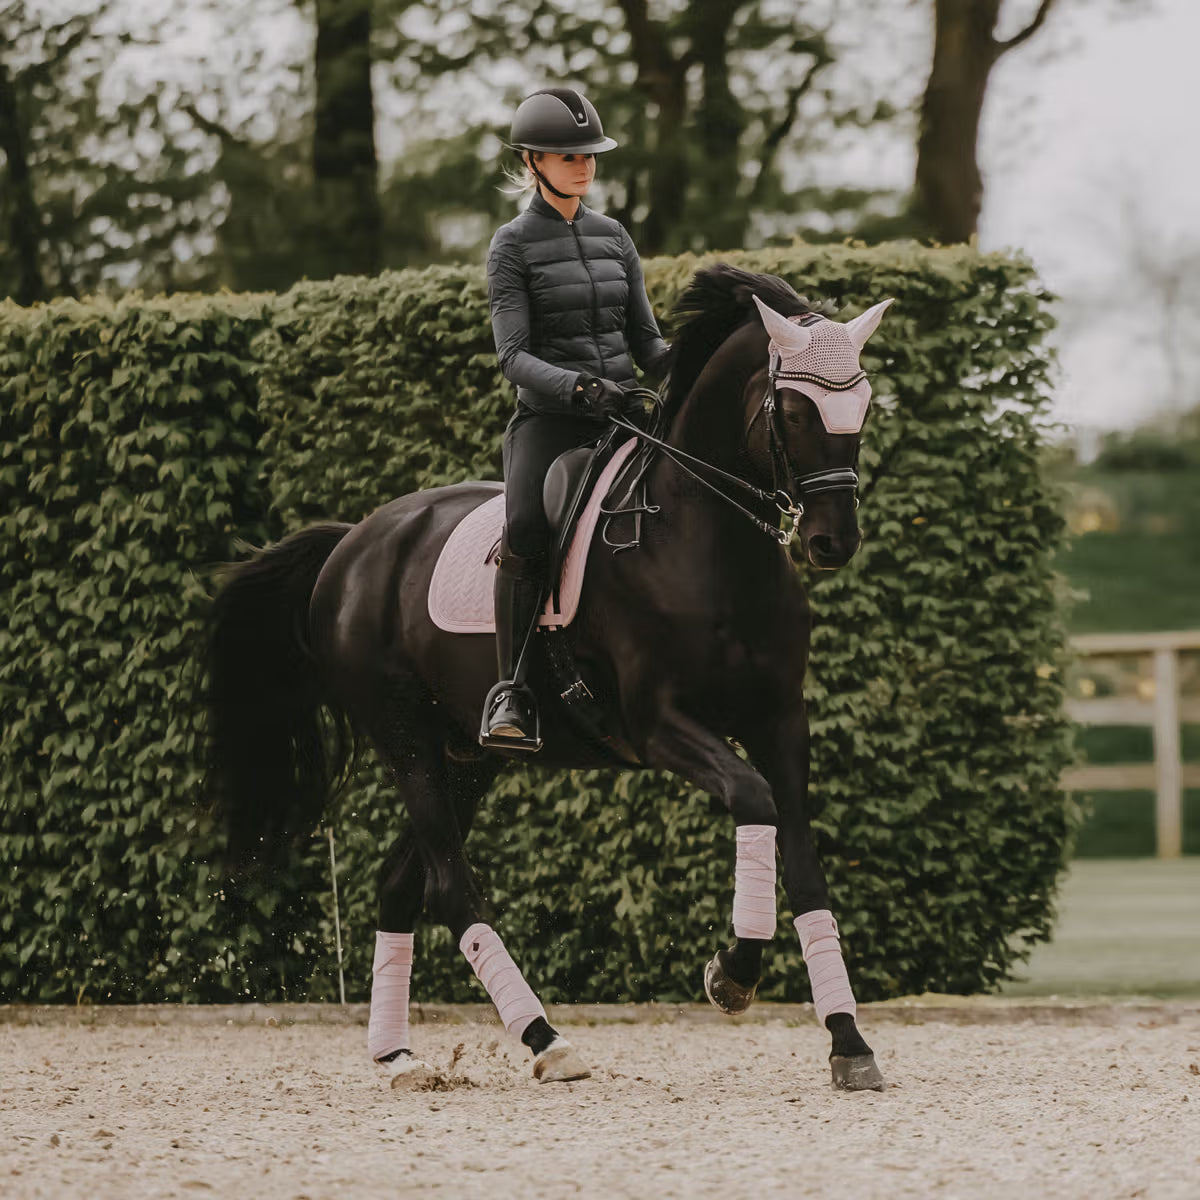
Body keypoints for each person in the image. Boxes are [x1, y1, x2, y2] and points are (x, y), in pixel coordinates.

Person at [481, 86, 671, 748]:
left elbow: (648, 344)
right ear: (532, 161)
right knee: (528, 527)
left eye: (588, 155)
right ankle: (510, 689)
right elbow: (513, 358)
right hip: (554, 422)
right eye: (568, 156)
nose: (583, 166)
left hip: (626, 417)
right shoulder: (511, 247)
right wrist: (581, 388)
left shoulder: (614, 236)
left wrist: (695, 362)